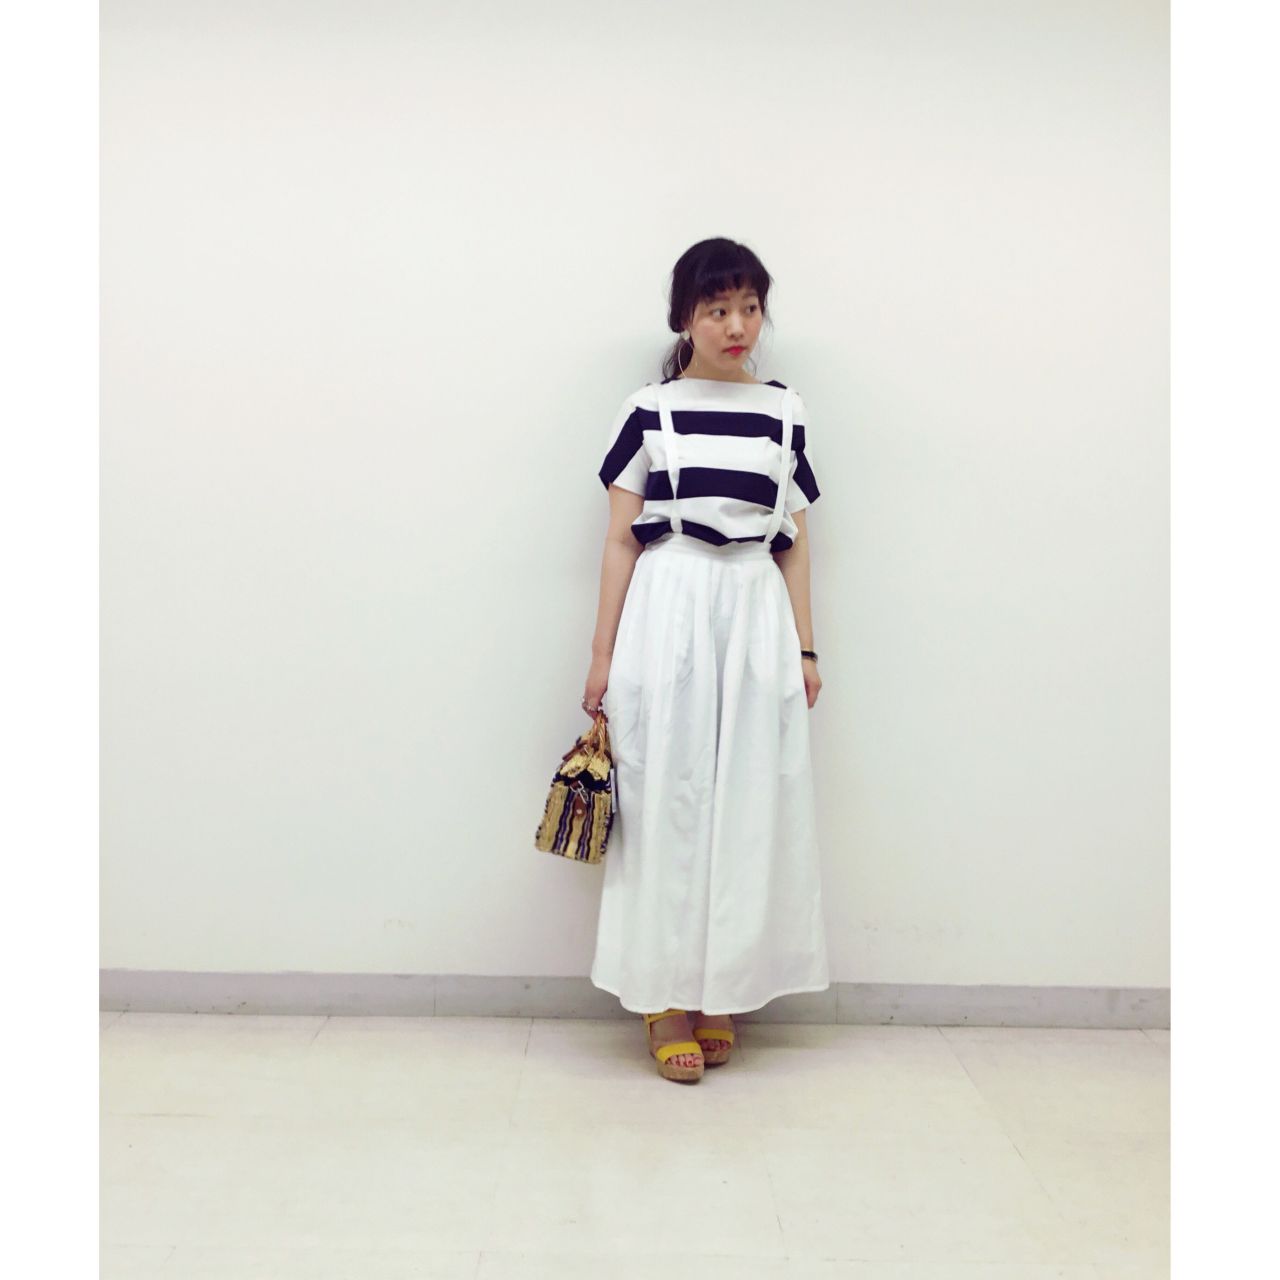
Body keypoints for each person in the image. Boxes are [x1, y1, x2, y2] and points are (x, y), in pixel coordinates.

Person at [583, 238, 831, 1084]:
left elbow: (795, 541)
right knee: (666, 799)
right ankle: (662, 998)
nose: (736, 326)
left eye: (749, 308)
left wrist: (805, 647)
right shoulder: (648, 410)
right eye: (717, 309)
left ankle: (720, 986)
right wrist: (601, 656)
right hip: (670, 605)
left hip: (754, 609)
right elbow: (620, 540)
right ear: (684, 318)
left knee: (745, 800)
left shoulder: (785, 412)